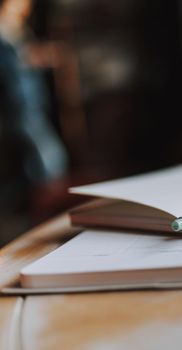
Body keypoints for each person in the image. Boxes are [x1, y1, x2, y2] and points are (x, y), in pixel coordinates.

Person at [0, 0, 68, 216]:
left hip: (30, 101)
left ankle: (39, 210)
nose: (25, 6)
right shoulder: (4, 29)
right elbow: (11, 65)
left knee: (36, 160)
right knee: (49, 158)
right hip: (19, 105)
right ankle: (47, 212)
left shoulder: (17, 28)